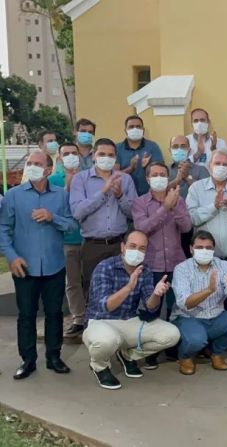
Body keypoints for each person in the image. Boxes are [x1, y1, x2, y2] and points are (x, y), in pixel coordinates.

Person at [0, 151, 77, 380]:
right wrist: (12, 257)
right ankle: (28, 359)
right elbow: (3, 228)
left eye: (37, 164)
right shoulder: (13, 196)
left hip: (54, 265)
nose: (32, 167)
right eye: (29, 163)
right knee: (26, 314)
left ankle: (54, 356)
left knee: (54, 313)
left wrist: (52, 217)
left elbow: (73, 225)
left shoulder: (61, 196)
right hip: (24, 266)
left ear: (48, 170)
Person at [83, 230, 180, 390]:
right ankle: (99, 366)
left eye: (142, 248)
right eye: (132, 246)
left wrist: (156, 294)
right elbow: (105, 306)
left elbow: (150, 306)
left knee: (171, 335)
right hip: (100, 321)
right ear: (122, 247)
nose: (137, 251)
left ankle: (128, 355)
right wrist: (129, 286)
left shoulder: (145, 270)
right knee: (106, 341)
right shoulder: (105, 267)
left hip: (129, 320)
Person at [186, 150, 227, 355]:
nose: (221, 167)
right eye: (217, 163)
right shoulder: (196, 188)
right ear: (209, 165)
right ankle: (204, 341)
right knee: (206, 300)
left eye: (225, 163)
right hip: (205, 260)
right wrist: (213, 206)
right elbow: (191, 219)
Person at [70, 138, 138, 323]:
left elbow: (134, 213)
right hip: (93, 246)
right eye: (102, 154)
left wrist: (119, 195)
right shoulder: (81, 179)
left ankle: (121, 333)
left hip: (119, 245)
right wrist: (103, 192)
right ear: (93, 156)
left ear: (116, 158)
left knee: (122, 289)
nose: (106, 158)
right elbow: (77, 212)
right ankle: (94, 332)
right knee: (93, 290)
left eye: (110, 155)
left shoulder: (125, 179)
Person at [132, 162, 192, 367]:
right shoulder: (140, 203)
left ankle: (174, 348)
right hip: (151, 263)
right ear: (148, 179)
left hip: (176, 263)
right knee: (152, 309)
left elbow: (186, 227)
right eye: (154, 175)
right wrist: (164, 208)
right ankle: (150, 352)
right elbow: (142, 228)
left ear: (168, 177)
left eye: (163, 174)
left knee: (177, 307)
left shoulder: (178, 199)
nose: (159, 178)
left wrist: (174, 208)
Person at [171, 231, 227, 375]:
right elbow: (185, 304)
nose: (204, 251)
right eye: (199, 247)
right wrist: (209, 290)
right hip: (188, 317)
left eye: (208, 248)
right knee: (196, 339)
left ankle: (216, 352)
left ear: (213, 250)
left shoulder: (223, 265)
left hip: (216, 315)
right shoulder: (181, 268)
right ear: (191, 249)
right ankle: (185, 357)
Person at [48, 143, 85, 338]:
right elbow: (51, 209)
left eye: (74, 153)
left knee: (90, 279)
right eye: (66, 154)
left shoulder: (89, 176)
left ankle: (93, 316)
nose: (71, 156)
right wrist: (66, 187)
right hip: (66, 240)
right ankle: (78, 318)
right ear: (60, 158)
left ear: (80, 156)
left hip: (89, 237)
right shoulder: (52, 180)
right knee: (72, 281)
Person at [116, 115, 164, 196]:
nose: (135, 129)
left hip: (148, 195)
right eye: (131, 127)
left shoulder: (153, 146)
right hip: (123, 195)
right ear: (125, 130)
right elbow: (113, 175)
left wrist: (147, 167)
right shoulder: (117, 148)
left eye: (138, 126)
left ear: (143, 130)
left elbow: (161, 172)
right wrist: (130, 169)